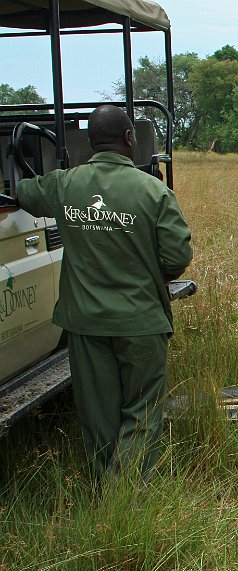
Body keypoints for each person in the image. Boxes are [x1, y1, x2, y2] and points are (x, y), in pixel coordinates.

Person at [15, 105, 192, 481]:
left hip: (86, 322)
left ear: (91, 143)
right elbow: (178, 255)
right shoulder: (153, 191)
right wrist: (149, 273)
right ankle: (123, 494)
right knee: (143, 410)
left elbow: (24, 192)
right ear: (130, 139)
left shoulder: (65, 184)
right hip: (141, 320)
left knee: (98, 413)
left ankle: (103, 490)